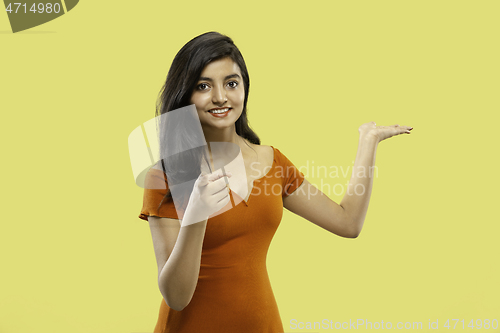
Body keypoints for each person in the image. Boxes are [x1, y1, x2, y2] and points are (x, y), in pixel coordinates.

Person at [138, 31, 413, 333]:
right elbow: (176, 297)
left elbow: (348, 223)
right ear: (185, 94)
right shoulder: (165, 175)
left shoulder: (272, 162)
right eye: (204, 86)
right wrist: (196, 217)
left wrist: (368, 142)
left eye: (232, 83)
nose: (220, 97)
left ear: (245, 87)